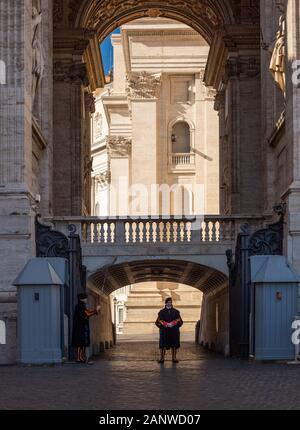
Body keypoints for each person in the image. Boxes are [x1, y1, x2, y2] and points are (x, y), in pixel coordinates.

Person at [71, 293, 100, 364]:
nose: (86, 299)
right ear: (81, 299)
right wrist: (95, 310)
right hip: (79, 328)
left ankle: (82, 357)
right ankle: (79, 358)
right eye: (85, 298)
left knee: (83, 343)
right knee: (80, 343)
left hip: (83, 328)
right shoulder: (79, 307)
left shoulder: (82, 306)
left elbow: (87, 312)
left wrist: (95, 310)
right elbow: (86, 314)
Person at [155, 297, 183, 364]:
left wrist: (174, 324)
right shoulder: (161, 312)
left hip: (174, 331)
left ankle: (174, 358)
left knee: (174, 345)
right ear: (165, 303)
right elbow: (157, 321)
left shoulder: (176, 312)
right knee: (163, 345)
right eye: (168, 302)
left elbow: (180, 321)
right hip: (164, 331)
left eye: (170, 302)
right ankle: (162, 358)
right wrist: (164, 324)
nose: (169, 304)